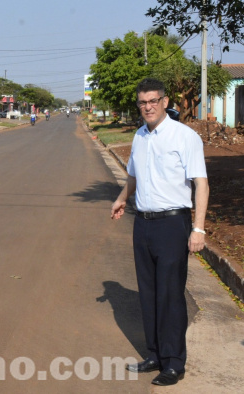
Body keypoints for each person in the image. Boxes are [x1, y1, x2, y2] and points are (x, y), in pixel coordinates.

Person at [111, 78, 209, 386]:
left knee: (170, 294)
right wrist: (122, 198)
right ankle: (154, 354)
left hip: (172, 224)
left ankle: (173, 361)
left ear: (165, 101)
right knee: (149, 293)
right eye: (142, 102)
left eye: (153, 101)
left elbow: (201, 184)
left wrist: (198, 228)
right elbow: (133, 176)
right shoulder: (140, 136)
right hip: (143, 223)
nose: (148, 107)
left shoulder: (185, 136)